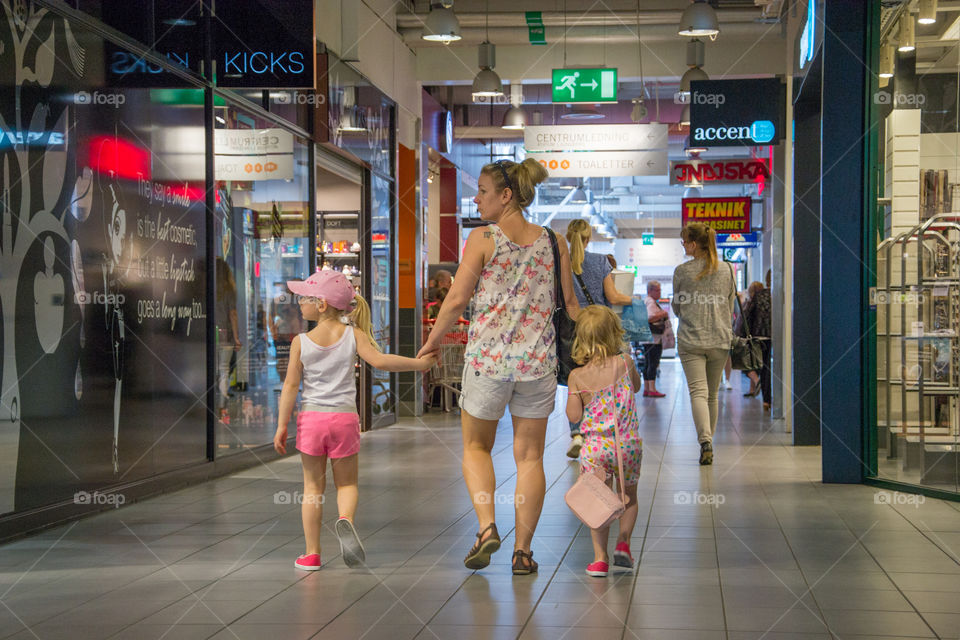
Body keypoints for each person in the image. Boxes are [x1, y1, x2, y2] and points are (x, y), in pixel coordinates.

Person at [418, 158, 580, 575]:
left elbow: (455, 301)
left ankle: (488, 527)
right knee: (529, 459)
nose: (477, 198)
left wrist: (430, 346)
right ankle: (523, 552)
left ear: (506, 196)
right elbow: (573, 307)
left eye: (484, 191)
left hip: (489, 362)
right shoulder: (552, 240)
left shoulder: (482, 238)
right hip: (537, 365)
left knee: (476, 447)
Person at [274, 270, 436, 571]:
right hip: (344, 419)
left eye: (305, 298)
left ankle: (311, 554)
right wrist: (420, 364)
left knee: (312, 488)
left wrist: (283, 424)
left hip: (312, 419)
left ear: (322, 304)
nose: (299, 304)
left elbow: (290, 387)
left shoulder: (300, 341)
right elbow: (382, 361)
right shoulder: (354, 335)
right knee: (347, 484)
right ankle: (345, 520)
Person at [565, 306, 643, 578]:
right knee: (628, 496)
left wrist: (580, 396)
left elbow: (573, 416)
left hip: (596, 447)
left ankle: (600, 560)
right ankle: (624, 543)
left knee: (599, 499)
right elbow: (636, 387)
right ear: (614, 334)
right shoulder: (625, 362)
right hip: (627, 443)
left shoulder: (577, 376)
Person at [565, 219, 633, 459]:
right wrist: (632, 299)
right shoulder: (600, 261)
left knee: (578, 383)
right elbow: (613, 297)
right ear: (588, 237)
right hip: (601, 325)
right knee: (603, 378)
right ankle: (605, 428)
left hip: (575, 328)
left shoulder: (561, 263)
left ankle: (577, 433)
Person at [672, 223, 736, 466]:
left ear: (694, 244)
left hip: (691, 339)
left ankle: (705, 442)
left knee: (697, 392)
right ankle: (710, 441)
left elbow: (677, 308)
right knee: (712, 394)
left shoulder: (681, 271)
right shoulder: (728, 269)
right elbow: (729, 307)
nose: (683, 245)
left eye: (684, 241)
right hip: (720, 338)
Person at [215, 258, 241, 416]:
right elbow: (233, 314)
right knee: (224, 369)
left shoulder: (206, 287)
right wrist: (237, 337)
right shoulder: (229, 290)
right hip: (225, 334)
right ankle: (222, 403)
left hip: (209, 333)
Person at [742, 280, 772, 410]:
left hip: (756, 337)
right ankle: (767, 401)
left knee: (747, 363)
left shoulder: (755, 298)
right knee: (766, 368)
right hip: (770, 336)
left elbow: (747, 317)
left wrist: (743, 336)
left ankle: (756, 381)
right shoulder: (772, 296)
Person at [641, 281, 668, 397]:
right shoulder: (651, 302)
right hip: (653, 339)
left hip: (647, 338)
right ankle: (652, 389)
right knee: (653, 363)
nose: (659, 292)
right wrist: (663, 314)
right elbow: (650, 318)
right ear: (650, 291)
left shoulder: (645, 301)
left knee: (647, 363)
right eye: (657, 290)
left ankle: (647, 388)